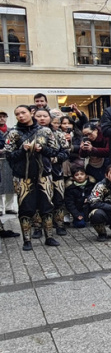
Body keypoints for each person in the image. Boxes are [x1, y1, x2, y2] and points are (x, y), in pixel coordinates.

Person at [4, 105, 60, 250]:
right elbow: (9, 156)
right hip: (23, 177)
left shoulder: (46, 131)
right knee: (25, 209)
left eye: (23, 112)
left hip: (44, 175)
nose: (20, 116)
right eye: (17, 114)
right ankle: (27, 241)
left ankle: (49, 237)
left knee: (47, 207)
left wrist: (43, 149)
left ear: (31, 113)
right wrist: (23, 150)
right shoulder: (13, 133)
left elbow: (54, 151)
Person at [34, 109, 70, 236]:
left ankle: (59, 225)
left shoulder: (58, 134)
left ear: (50, 118)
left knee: (58, 199)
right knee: (38, 200)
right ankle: (38, 228)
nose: (42, 119)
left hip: (56, 172)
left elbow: (66, 152)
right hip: (37, 173)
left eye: (45, 116)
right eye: (39, 116)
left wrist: (55, 158)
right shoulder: (31, 133)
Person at [0, 110, 16, 215]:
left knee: (10, 183)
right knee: (0, 184)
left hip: (10, 159)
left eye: (4, 116)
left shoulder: (11, 130)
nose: (2, 118)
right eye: (0, 116)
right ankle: (1, 208)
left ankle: (9, 207)